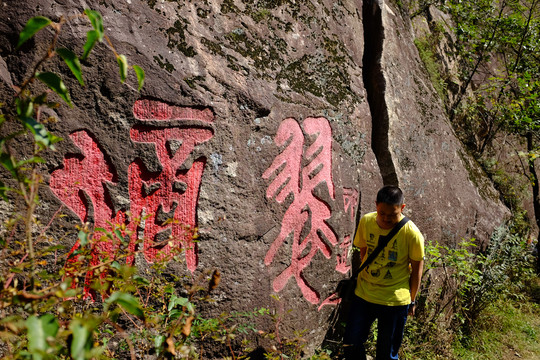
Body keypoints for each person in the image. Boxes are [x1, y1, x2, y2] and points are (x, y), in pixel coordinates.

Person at [343, 185, 425, 360]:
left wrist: (412, 299)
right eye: (382, 213)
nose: (386, 219)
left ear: (402, 208)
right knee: (351, 343)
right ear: (376, 205)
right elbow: (363, 252)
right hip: (364, 294)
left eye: (392, 214)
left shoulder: (412, 233)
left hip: (394, 301)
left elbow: (417, 269)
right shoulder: (366, 221)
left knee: (386, 354)